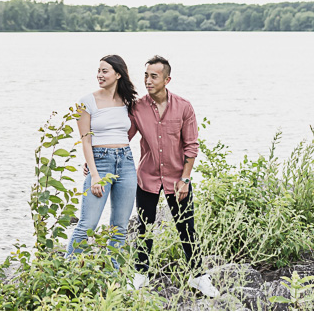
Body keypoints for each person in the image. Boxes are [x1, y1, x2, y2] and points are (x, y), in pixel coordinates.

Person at [127, 55, 219, 297]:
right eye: (145, 75)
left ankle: (199, 277)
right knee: (144, 228)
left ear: (167, 79)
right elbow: (122, 138)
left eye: (153, 76)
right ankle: (141, 275)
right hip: (146, 177)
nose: (147, 80)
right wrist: (94, 159)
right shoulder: (137, 108)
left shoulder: (184, 107)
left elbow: (191, 146)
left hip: (178, 180)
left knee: (186, 228)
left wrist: (185, 179)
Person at [65, 54, 138, 260]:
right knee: (87, 224)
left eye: (104, 71)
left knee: (120, 227)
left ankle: (111, 276)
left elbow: (128, 132)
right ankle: (68, 270)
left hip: (126, 162)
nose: (99, 75)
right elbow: (85, 140)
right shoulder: (86, 102)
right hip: (101, 161)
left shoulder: (127, 101)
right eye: (98, 71)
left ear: (118, 74)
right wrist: (94, 172)